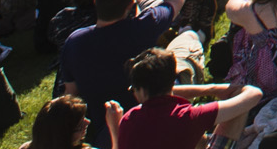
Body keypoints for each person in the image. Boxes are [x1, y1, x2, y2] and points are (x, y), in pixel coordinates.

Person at [54, 0, 186, 108]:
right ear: (130, 5)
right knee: (187, 40)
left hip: (103, 119)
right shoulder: (145, 26)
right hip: (147, 113)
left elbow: (71, 93)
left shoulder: (74, 41)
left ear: (95, 1)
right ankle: (191, 27)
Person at [98, 48, 261, 149]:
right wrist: (213, 89)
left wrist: (115, 128)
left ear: (142, 90)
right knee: (238, 105)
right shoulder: (190, 116)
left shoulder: (129, 120)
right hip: (188, 125)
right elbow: (254, 94)